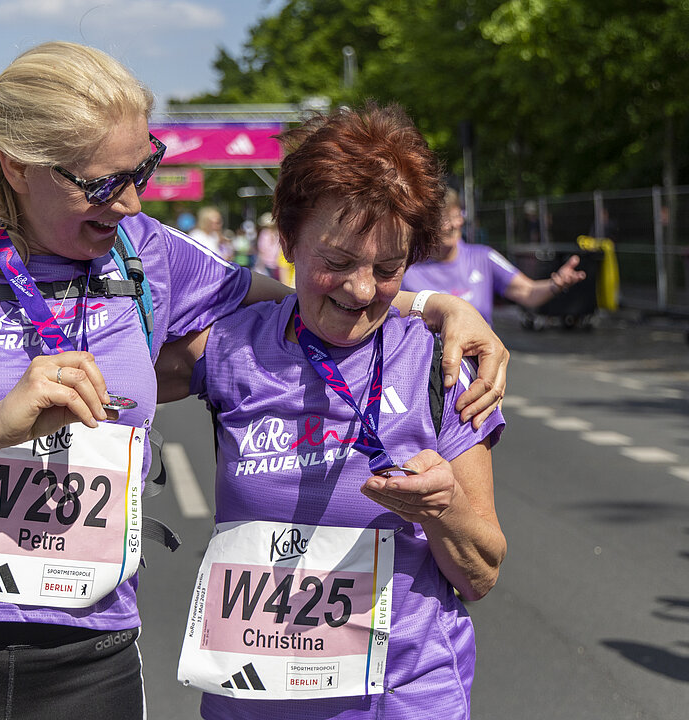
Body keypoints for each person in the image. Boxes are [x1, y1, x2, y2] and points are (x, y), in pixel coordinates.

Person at [0, 42, 507, 718]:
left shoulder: (143, 253)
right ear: (18, 166)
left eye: (143, 170)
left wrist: (434, 304)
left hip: (89, 648)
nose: (134, 202)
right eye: (104, 184)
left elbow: (310, 297)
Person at [170, 102, 507, 719]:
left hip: (401, 700)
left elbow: (480, 571)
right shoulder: (232, 345)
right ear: (290, 240)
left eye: (387, 269)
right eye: (336, 262)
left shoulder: (444, 362)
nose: (360, 291)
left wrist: (442, 506)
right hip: (255, 700)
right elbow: (102, 352)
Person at [402, 187, 586, 324]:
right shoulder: (406, 267)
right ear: (425, 225)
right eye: (444, 219)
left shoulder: (483, 257)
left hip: (480, 371)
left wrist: (556, 284)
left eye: (457, 215)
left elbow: (528, 291)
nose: (455, 224)